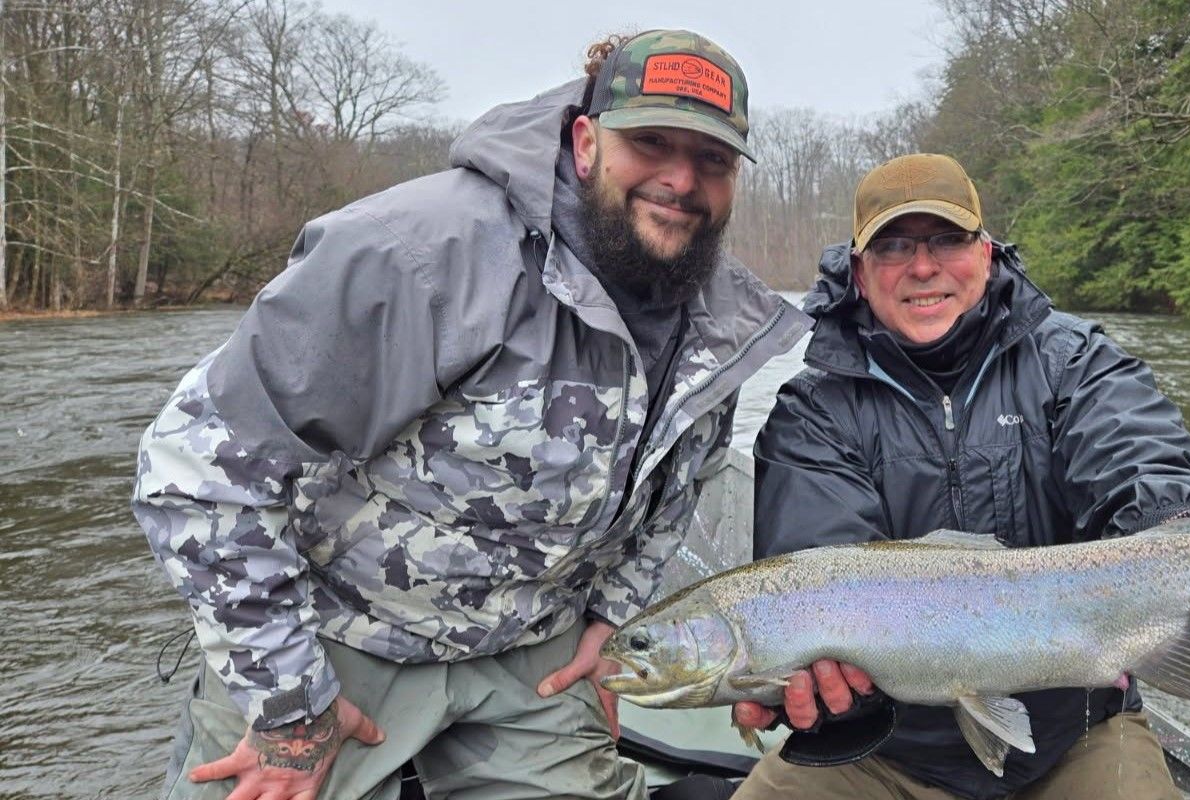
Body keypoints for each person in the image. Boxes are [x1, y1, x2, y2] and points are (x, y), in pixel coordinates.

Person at [132, 29, 809, 800]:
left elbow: (674, 496)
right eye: (651, 143)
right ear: (586, 142)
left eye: (712, 160)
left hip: (533, 657)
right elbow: (195, 464)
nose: (681, 180)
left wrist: (611, 627)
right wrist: (290, 707)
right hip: (337, 638)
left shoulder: (722, 324)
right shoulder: (423, 253)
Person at [731, 153, 1190, 800]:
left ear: (987, 253)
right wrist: (830, 693)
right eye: (894, 246)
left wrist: (1189, 521)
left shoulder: (1075, 362)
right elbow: (816, 567)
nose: (923, 267)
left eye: (948, 240)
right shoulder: (815, 409)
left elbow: (1141, 457)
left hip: (1079, 733)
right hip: (886, 748)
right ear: (861, 274)